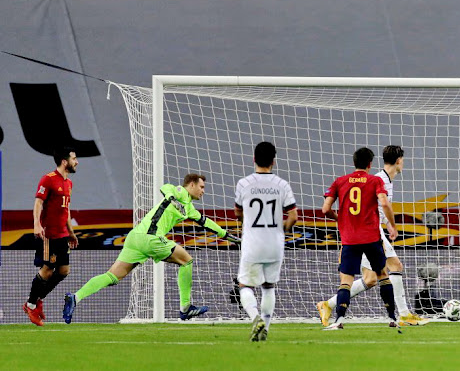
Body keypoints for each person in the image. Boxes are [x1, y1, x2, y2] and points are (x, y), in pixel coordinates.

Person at [63, 173, 240, 323]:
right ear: (191, 185)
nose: (203, 191)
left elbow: (206, 222)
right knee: (187, 260)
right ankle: (185, 308)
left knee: (112, 276)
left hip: (136, 238)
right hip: (150, 237)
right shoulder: (179, 191)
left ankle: (75, 297)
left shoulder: (189, 209)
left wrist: (226, 235)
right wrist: (172, 198)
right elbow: (166, 188)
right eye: (201, 187)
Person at [317, 145, 428, 327]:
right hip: (369, 231)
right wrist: (390, 226)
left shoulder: (385, 180)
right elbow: (374, 207)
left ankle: (327, 304)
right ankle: (404, 314)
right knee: (395, 266)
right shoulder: (377, 179)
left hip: (367, 231)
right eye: (403, 160)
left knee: (371, 279)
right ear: (399, 160)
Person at [321, 147, 399, 330]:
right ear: (370, 164)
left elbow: (325, 209)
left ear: (354, 162)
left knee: (346, 281)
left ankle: (338, 320)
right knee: (382, 275)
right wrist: (392, 225)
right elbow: (384, 202)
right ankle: (392, 318)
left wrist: (339, 217)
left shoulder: (340, 181)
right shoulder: (375, 180)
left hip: (350, 239)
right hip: (371, 237)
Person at [235, 142, 298, 342]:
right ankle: (266, 329)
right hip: (274, 243)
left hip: (253, 242)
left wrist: (247, 221)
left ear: (254, 159)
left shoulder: (244, 183)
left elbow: (238, 211)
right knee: (269, 286)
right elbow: (294, 216)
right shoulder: (282, 184)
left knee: (244, 284)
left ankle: (255, 318)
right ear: (274, 161)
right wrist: (283, 230)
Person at [23, 147, 79, 326]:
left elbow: (66, 210)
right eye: (74, 158)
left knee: (63, 271)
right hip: (49, 234)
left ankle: (37, 300)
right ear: (65, 161)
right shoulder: (48, 179)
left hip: (62, 234)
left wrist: (71, 233)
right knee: (47, 269)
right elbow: (38, 203)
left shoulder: (68, 183)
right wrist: (37, 224)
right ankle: (31, 304)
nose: (76, 162)